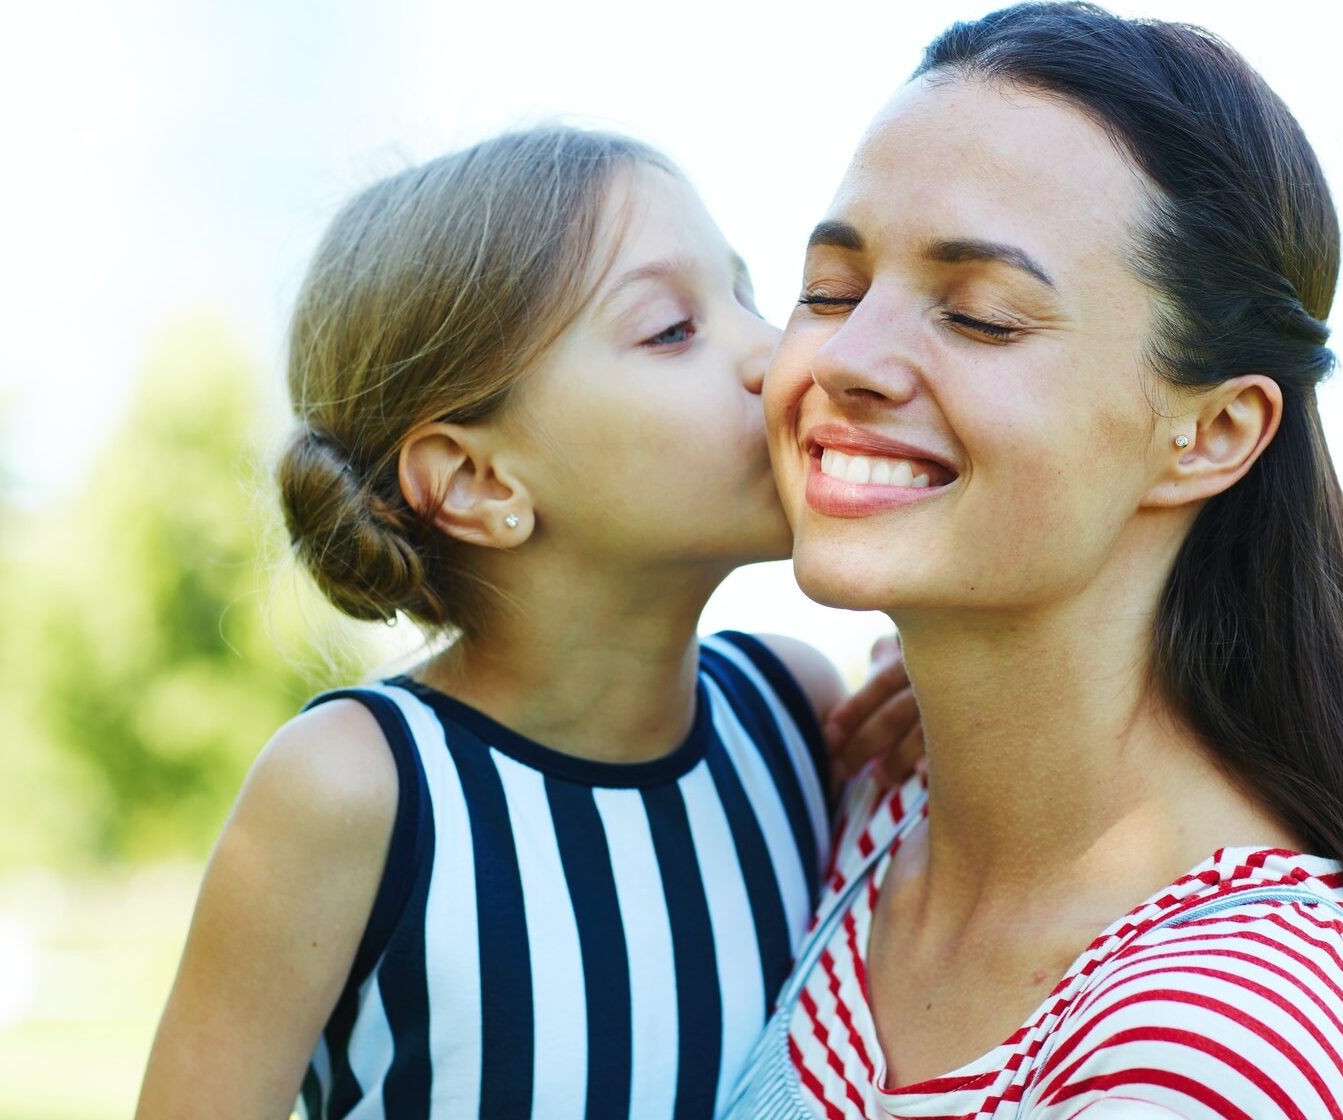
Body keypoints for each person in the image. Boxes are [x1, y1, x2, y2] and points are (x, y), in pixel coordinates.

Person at [726, 4, 1343, 1118]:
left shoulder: (1225, 1036)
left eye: (979, 316)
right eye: (829, 291)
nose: (845, 356)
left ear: (1213, 431)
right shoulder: (861, 803)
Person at [135, 126, 919, 1120]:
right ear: (477, 481)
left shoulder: (795, 713)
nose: (777, 356)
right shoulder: (352, 786)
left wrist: (956, 713)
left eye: (748, 297)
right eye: (672, 329)